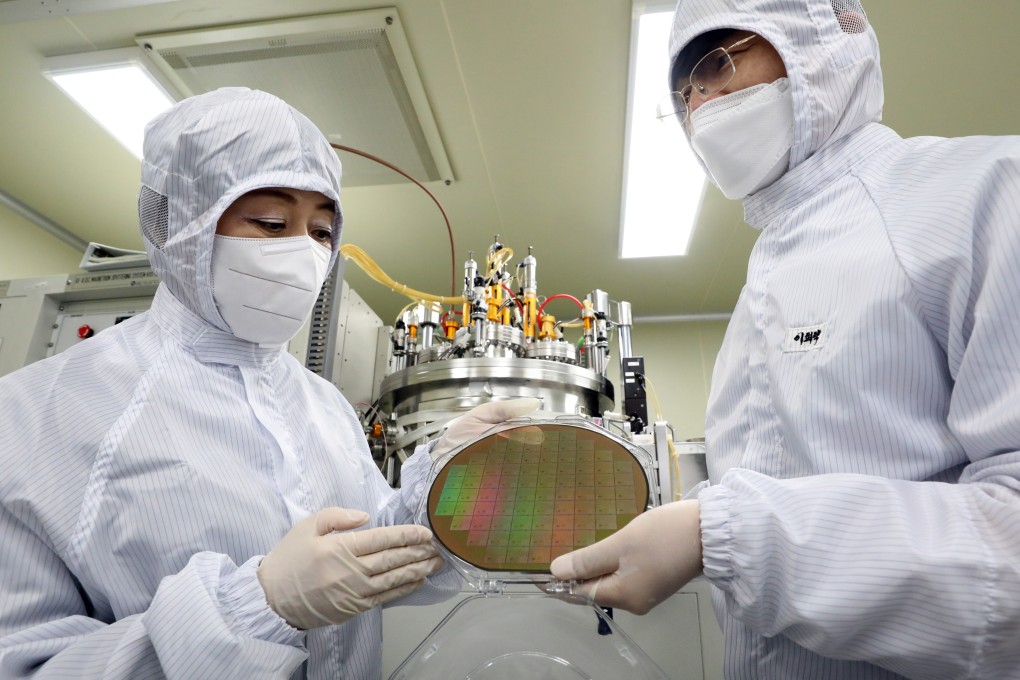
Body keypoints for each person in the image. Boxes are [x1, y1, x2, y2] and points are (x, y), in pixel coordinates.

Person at [0, 87, 537, 679]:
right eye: (272, 222)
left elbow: (363, 554)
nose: (302, 254)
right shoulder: (33, 416)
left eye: (322, 232)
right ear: (182, 221)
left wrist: (446, 479)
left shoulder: (322, 404)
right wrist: (259, 607)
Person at [551, 1, 1020, 678]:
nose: (701, 104)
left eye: (716, 62)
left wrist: (723, 536)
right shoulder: (764, 286)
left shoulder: (981, 193)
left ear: (820, 36)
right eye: (684, 93)